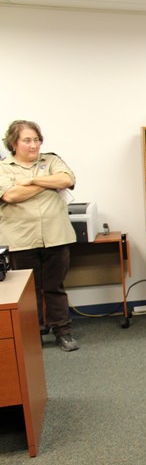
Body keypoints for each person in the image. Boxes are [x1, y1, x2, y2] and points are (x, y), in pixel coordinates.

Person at [0, 120, 79, 351]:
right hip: (20, 238)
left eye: (36, 139)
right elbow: (11, 195)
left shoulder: (51, 160)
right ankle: (31, 334)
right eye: (27, 140)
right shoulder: (4, 168)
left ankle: (62, 332)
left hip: (56, 236)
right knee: (27, 291)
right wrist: (47, 184)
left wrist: (32, 181)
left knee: (55, 287)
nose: (33, 145)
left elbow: (67, 179)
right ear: (14, 143)